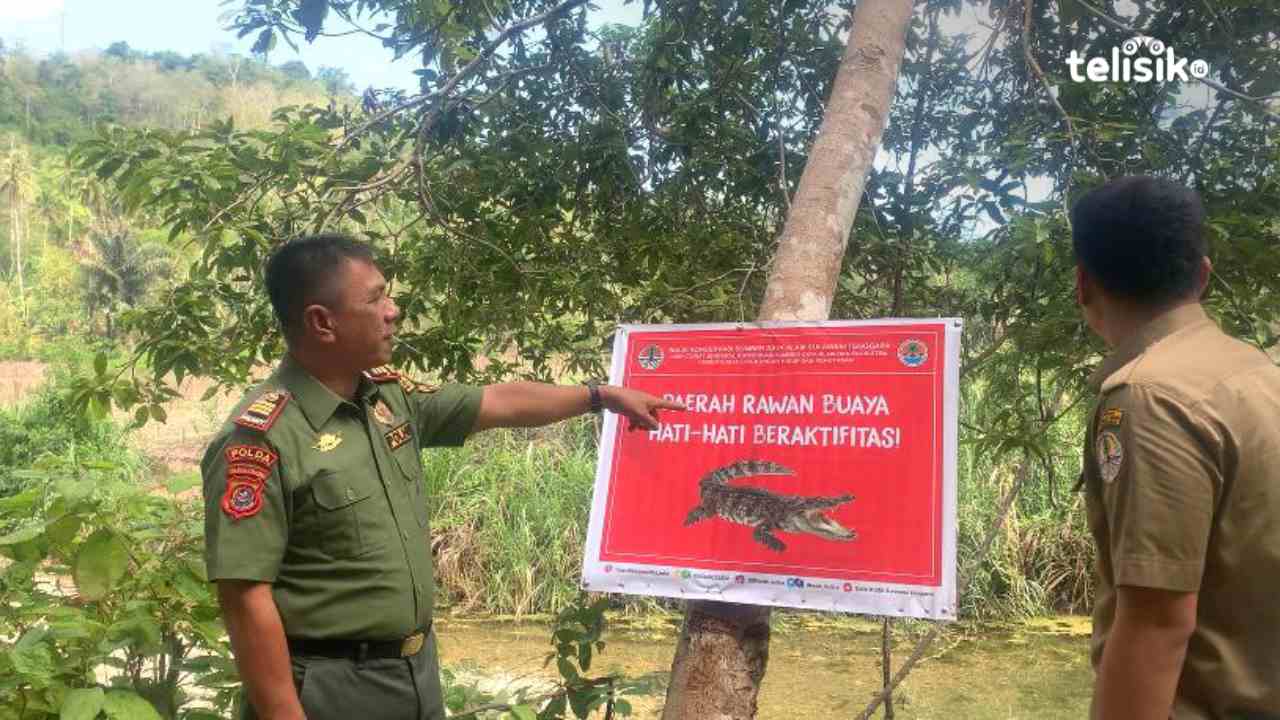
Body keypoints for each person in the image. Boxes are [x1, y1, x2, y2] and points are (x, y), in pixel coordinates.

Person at [201, 233, 682, 720]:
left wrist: (600, 396)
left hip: (415, 676)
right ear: (322, 322)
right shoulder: (262, 439)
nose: (393, 311)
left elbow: (498, 402)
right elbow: (244, 597)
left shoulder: (390, 400)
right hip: (329, 688)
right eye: (375, 299)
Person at [1073, 176, 1280, 719]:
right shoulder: (1256, 371)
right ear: (1203, 275)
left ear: (1083, 284)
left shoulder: (1148, 397)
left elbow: (1157, 624)